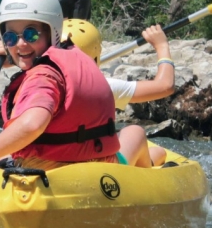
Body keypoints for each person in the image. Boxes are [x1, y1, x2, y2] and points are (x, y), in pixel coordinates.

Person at [0, 0, 121, 177]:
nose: (21, 44)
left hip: (54, 175)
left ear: (52, 32)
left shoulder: (43, 78)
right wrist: (16, 57)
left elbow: (32, 124)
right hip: (102, 169)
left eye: (30, 34)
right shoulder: (71, 55)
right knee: (3, 157)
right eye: (9, 37)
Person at [61, 19, 174, 167]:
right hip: (101, 168)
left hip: (50, 163)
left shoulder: (36, 84)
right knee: (136, 133)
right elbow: (165, 86)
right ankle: (147, 169)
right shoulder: (103, 86)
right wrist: (162, 46)